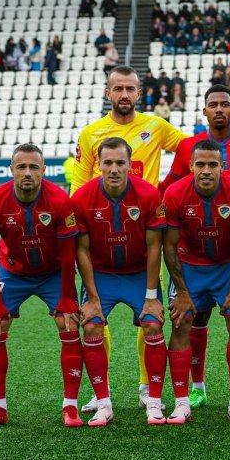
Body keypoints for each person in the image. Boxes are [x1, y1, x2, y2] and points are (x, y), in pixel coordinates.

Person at [71, 65, 188, 414]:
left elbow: (189, 151)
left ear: (139, 93)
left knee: (149, 315)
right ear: (108, 93)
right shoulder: (91, 134)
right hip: (102, 233)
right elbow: (78, 185)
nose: (124, 94)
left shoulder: (155, 125)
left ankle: (144, 385)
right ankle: (100, 390)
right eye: (118, 88)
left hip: (145, 229)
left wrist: (166, 190)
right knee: (93, 316)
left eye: (130, 89)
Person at [158, 85, 230, 411]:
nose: (219, 109)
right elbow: (172, 186)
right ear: (203, 111)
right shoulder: (187, 147)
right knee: (196, 316)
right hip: (195, 248)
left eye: (225, 104)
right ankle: (197, 387)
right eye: (213, 105)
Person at [0, 144, 82, 428]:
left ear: (44, 171)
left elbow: (69, 255)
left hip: (53, 272)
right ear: (11, 170)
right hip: (12, 272)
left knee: (69, 324)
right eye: (21, 167)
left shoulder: (60, 200)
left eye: (33, 167)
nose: (27, 173)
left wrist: (67, 299)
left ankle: (70, 407)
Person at [72, 137, 167, 426]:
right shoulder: (82, 198)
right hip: (102, 275)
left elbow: (155, 247)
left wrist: (151, 295)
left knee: (153, 322)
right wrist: (92, 297)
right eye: (108, 162)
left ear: (130, 165)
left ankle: (154, 401)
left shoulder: (149, 195)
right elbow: (82, 250)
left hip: (138, 274)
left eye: (120, 163)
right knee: (91, 324)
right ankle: (103, 403)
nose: (114, 169)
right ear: (98, 164)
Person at [162, 140, 230, 424]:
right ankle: (181, 403)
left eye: (212, 164)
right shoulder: (175, 193)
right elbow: (169, 246)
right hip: (188, 266)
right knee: (181, 323)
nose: (206, 170)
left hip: (227, 266)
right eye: (200, 164)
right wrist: (182, 292)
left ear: (222, 167)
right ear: (190, 166)